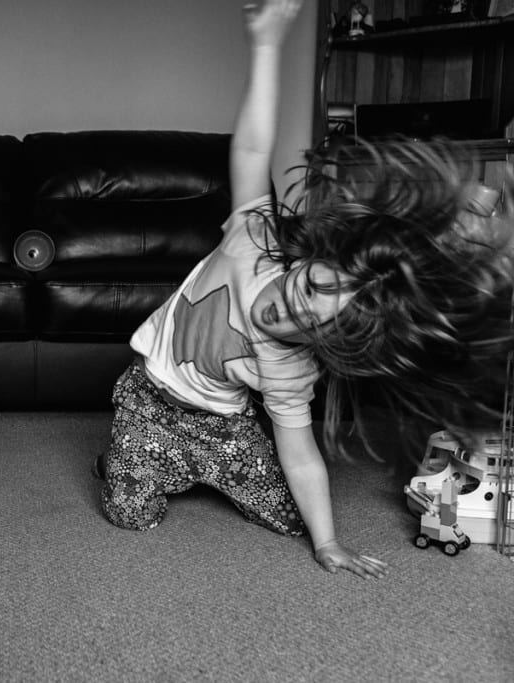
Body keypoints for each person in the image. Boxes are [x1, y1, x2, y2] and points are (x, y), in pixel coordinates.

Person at [96, 0, 514, 579]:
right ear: (306, 261)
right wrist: (267, 45)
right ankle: (126, 457)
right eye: (307, 283)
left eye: (311, 317)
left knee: (291, 519)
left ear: (328, 341)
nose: (291, 301)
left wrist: (328, 543)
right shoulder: (255, 240)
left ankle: (185, 468)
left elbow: (302, 456)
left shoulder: (292, 372)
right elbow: (249, 151)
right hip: (148, 400)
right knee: (131, 515)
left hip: (224, 426)